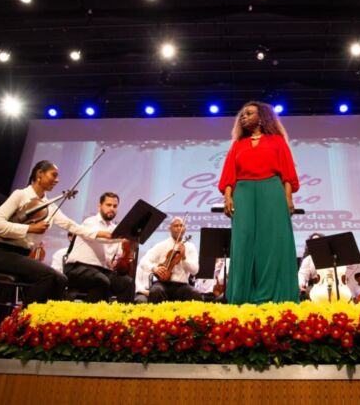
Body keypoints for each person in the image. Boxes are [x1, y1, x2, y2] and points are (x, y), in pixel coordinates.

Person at [0, 161, 111, 304]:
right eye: (54, 175)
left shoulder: (49, 206)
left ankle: (48, 321)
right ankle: (25, 320)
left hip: (21, 256)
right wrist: (29, 228)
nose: (57, 180)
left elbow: (72, 226)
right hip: (0, 253)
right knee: (48, 276)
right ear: (39, 174)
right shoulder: (20, 195)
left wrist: (106, 235)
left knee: (62, 279)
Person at [218, 101, 300, 304]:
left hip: (272, 191)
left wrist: (288, 198)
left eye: (249, 113)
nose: (243, 117)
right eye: (242, 114)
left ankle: (274, 295)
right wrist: (228, 197)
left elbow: (287, 173)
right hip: (243, 193)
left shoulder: (277, 141)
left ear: (262, 117)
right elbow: (229, 174)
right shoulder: (238, 144)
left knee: (272, 243)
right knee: (243, 242)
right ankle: (243, 296)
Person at [63, 192, 132, 303]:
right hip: (77, 268)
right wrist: (124, 236)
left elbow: (118, 255)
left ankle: (121, 317)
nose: (112, 208)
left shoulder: (116, 229)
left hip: (102, 271)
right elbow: (102, 238)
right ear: (99, 206)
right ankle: (93, 318)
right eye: (108, 205)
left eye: (115, 206)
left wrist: (118, 261)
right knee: (101, 280)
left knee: (126, 282)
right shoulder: (90, 222)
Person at [139, 217, 200, 303]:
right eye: (176, 226)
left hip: (182, 285)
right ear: (170, 229)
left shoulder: (190, 247)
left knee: (195, 294)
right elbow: (143, 261)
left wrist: (184, 257)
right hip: (163, 284)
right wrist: (154, 268)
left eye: (181, 225)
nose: (179, 228)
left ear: (185, 229)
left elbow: (195, 271)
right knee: (156, 291)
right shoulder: (162, 245)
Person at [297, 233, 324, 300]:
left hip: (333, 285)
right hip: (316, 286)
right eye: (313, 242)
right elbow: (302, 274)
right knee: (304, 294)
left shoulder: (332, 256)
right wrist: (301, 284)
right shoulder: (308, 259)